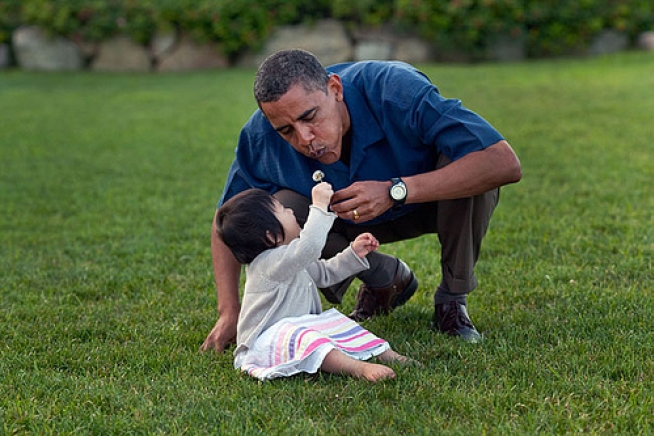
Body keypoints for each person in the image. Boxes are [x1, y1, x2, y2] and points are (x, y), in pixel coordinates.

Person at [202, 49, 522, 352]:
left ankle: (452, 299)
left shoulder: (395, 89)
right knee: (280, 208)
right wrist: (230, 311)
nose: (305, 139)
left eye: (310, 116)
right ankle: (385, 279)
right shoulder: (260, 137)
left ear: (335, 88)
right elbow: (227, 219)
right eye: (286, 130)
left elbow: (501, 162)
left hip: (429, 206)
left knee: (468, 161)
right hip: (346, 226)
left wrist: (396, 190)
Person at [217, 183, 411, 381]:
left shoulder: (290, 258)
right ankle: (357, 367)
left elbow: (325, 273)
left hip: (298, 332)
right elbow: (310, 246)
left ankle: (388, 354)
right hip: (266, 342)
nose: (291, 210)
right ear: (271, 236)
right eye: (283, 210)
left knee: (338, 322)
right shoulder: (268, 263)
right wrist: (319, 205)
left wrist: (353, 254)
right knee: (304, 336)